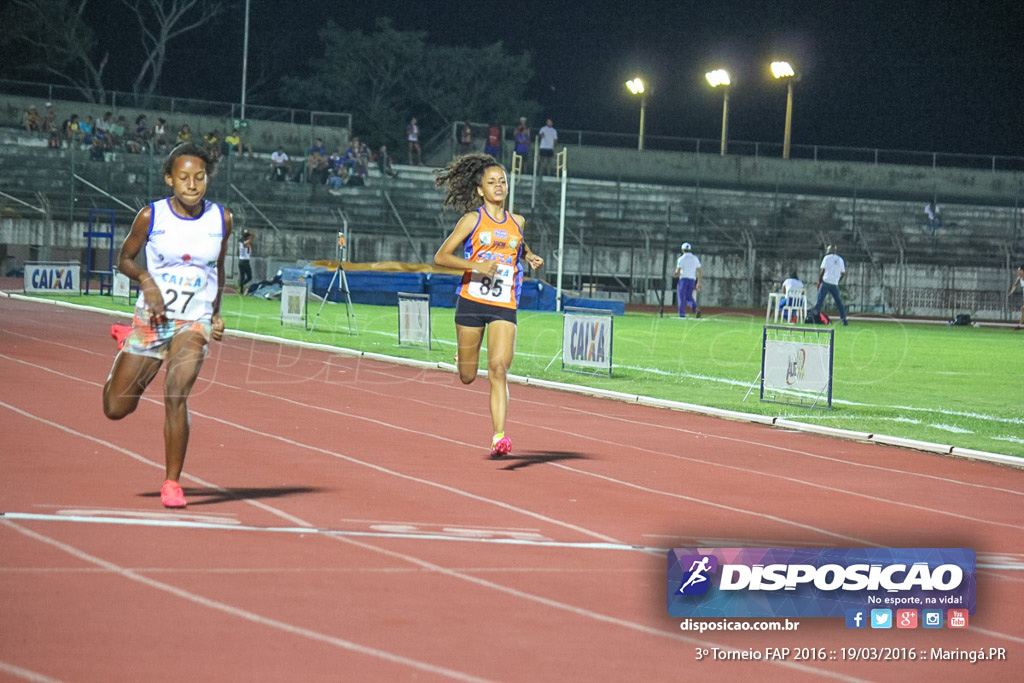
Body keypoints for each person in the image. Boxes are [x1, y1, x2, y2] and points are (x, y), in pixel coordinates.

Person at [103, 142, 232, 508]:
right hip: (154, 319)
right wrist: (145, 280)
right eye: (184, 177)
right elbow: (124, 259)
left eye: (199, 177)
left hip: (193, 322)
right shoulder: (151, 216)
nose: (192, 185)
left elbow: (217, 268)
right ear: (169, 179)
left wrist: (215, 312)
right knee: (116, 408)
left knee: (177, 391)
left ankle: (172, 482)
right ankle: (126, 342)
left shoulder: (222, 219)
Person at [433, 153, 544, 458]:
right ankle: (462, 356)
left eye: (502, 181)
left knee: (498, 367)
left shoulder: (517, 221)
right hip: (471, 300)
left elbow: (515, 244)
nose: (498, 186)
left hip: (504, 303)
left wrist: (529, 256)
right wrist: (477, 266)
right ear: (480, 189)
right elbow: (441, 257)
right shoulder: (472, 219)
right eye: (491, 182)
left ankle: (499, 437)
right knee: (468, 376)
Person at [811, 244, 848, 325]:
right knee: (839, 303)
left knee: (820, 301)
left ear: (831, 250)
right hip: (834, 283)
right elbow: (843, 273)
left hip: (826, 282)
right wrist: (837, 280)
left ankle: (814, 317)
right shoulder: (840, 259)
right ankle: (844, 320)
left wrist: (820, 281)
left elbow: (823, 270)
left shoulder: (826, 258)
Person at [673, 242, 701, 318]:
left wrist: (675, 274)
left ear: (682, 250)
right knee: (689, 297)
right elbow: (699, 270)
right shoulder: (695, 258)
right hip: (692, 280)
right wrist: (699, 282)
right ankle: (695, 308)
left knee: (681, 297)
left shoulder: (681, 259)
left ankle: (682, 314)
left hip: (683, 280)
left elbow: (678, 271)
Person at [238, 229, 255, 294]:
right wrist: (250, 234)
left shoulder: (240, 242)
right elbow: (252, 238)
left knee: (242, 276)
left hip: (240, 260)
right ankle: (241, 284)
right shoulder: (245, 243)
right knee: (249, 277)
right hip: (245, 261)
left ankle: (241, 290)